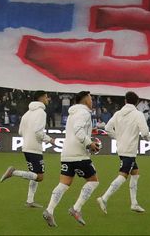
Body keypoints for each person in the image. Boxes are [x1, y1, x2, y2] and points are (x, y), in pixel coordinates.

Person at [41, 91, 100, 227]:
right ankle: (76, 209)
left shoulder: (73, 113)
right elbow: (78, 130)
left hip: (67, 154)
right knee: (93, 181)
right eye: (91, 99)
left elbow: (76, 130)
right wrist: (89, 143)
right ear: (85, 100)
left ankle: (49, 210)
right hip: (79, 155)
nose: (92, 101)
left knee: (64, 183)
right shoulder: (84, 113)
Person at [96, 90, 150, 215]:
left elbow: (107, 128)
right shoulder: (138, 114)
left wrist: (118, 138)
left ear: (125, 101)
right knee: (123, 176)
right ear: (136, 103)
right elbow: (145, 132)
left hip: (121, 148)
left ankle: (134, 203)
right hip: (130, 150)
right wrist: (149, 138)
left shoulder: (117, 114)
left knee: (135, 174)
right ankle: (104, 198)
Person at [0, 91, 53, 208]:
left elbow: (20, 132)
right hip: (35, 147)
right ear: (41, 98)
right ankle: (13, 172)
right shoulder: (41, 113)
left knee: (33, 174)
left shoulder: (26, 114)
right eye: (46, 97)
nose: (48, 99)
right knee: (39, 177)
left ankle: (30, 201)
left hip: (26, 146)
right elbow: (38, 133)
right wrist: (49, 139)